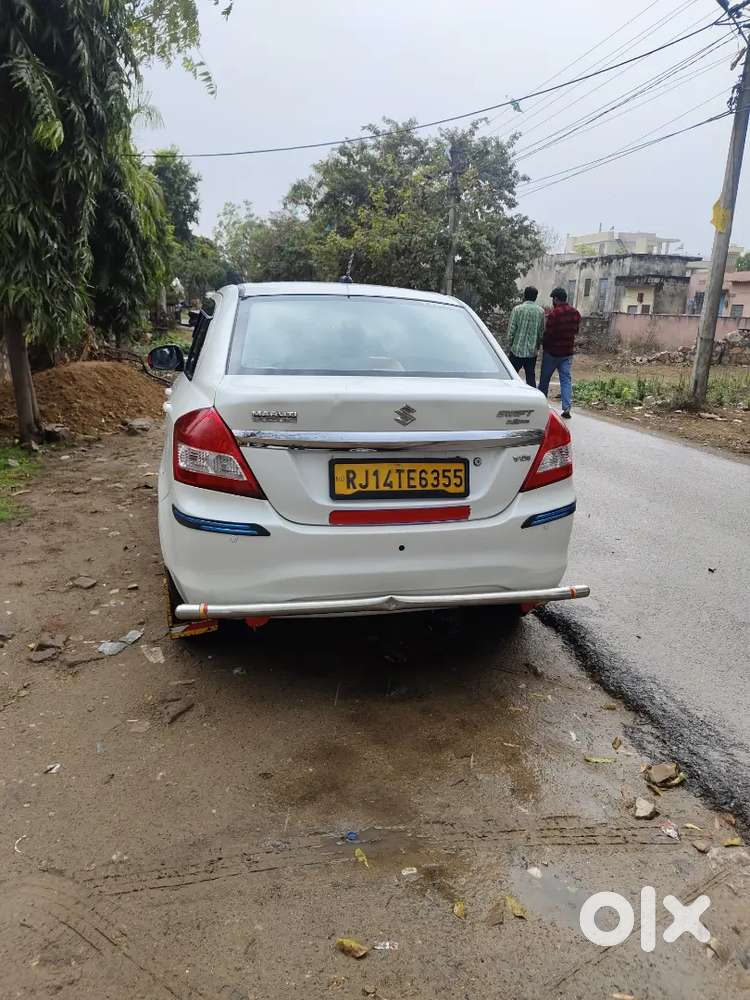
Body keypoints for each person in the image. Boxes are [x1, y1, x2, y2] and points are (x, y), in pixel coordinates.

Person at [539, 286, 580, 419]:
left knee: (544, 380)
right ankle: (567, 408)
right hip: (567, 353)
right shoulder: (575, 313)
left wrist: (544, 345)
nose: (552, 301)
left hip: (552, 352)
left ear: (556, 299)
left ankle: (541, 406)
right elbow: (576, 331)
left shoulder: (554, 314)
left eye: (553, 299)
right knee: (566, 380)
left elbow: (548, 334)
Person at [506, 286, 545, 388]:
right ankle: (532, 399)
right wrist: (537, 346)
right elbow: (541, 332)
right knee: (530, 377)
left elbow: (511, 331)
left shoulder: (517, 310)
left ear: (524, 296)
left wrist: (510, 344)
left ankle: (508, 396)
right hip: (531, 351)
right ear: (536, 297)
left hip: (516, 350)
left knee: (511, 376)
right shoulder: (540, 312)